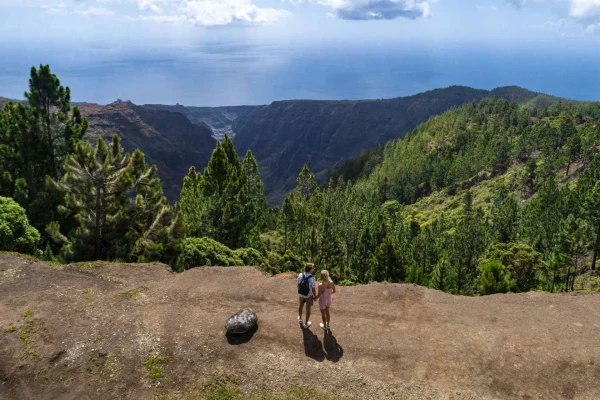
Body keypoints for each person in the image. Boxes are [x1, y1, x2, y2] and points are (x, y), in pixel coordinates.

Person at [298, 263, 317, 329]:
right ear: (310, 269)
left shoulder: (300, 275)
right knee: (308, 309)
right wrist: (315, 297)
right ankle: (306, 323)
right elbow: (313, 289)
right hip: (308, 296)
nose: (313, 269)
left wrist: (300, 291)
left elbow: (298, 284)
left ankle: (300, 319)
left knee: (300, 306)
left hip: (301, 294)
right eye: (312, 268)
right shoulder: (312, 278)